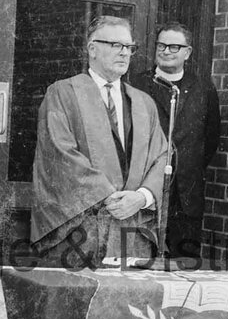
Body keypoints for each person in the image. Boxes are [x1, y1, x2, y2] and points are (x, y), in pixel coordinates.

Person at [31, 15, 169, 266]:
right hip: (83, 230)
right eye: (115, 45)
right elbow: (59, 152)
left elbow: (163, 156)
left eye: (129, 47)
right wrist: (110, 197)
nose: (124, 53)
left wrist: (141, 197)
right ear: (92, 49)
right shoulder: (63, 93)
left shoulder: (144, 103)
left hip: (133, 232)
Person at [130, 21, 221, 259]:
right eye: (162, 45)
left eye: (174, 47)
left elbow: (211, 138)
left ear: (187, 52)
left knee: (184, 266)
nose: (166, 51)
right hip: (146, 190)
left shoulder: (203, 88)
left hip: (186, 195)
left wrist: (187, 166)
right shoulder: (137, 84)